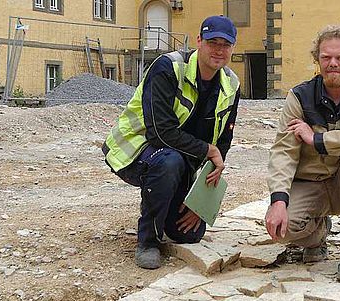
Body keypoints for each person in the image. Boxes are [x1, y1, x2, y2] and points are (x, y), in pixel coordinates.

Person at [102, 16, 240, 269]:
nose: (219, 50)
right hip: (137, 151)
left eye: (225, 44)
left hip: (181, 156)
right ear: (199, 41)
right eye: (212, 42)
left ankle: (161, 203)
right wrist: (208, 150)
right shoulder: (168, 68)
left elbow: (223, 140)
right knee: (168, 162)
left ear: (233, 48)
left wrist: (200, 201)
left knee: (188, 234)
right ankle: (148, 241)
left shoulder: (231, 83)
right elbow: (160, 132)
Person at [264, 25, 340, 283]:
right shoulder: (299, 96)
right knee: (282, 231)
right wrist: (278, 200)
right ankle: (317, 233)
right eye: (326, 57)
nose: (333, 64)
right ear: (317, 60)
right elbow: (284, 151)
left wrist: (316, 139)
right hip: (310, 184)